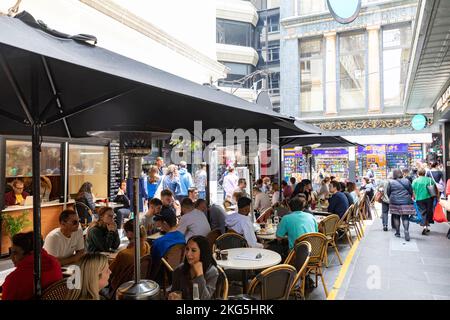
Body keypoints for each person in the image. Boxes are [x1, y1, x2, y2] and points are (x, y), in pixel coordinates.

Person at [1, 232, 62, 300]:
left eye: (15, 253)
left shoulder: (15, 279)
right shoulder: (56, 263)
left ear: (31, 253)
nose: (11, 257)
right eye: (10, 251)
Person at [169, 235, 219, 300]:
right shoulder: (179, 270)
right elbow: (174, 291)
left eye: (193, 250)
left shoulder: (212, 272)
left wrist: (200, 275)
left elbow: (204, 298)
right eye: (187, 249)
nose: (188, 254)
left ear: (202, 252)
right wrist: (173, 296)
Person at [109, 219, 151, 292]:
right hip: (141, 284)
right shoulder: (147, 246)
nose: (125, 234)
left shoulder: (123, 254)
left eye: (126, 232)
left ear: (130, 233)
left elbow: (110, 272)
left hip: (123, 286)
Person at [387, 169, 415, 241]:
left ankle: (397, 232)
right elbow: (411, 191)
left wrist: (392, 197)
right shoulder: (407, 181)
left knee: (396, 217)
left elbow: (388, 192)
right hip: (406, 202)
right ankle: (406, 230)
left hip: (395, 202)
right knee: (405, 217)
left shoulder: (391, 182)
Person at [412, 168, 436, 235]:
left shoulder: (415, 181)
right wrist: (438, 197)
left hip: (419, 198)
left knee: (422, 212)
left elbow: (412, 190)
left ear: (418, 173)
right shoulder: (429, 179)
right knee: (429, 211)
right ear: (425, 173)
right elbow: (435, 188)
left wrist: (414, 197)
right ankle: (427, 227)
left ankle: (424, 227)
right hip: (429, 198)